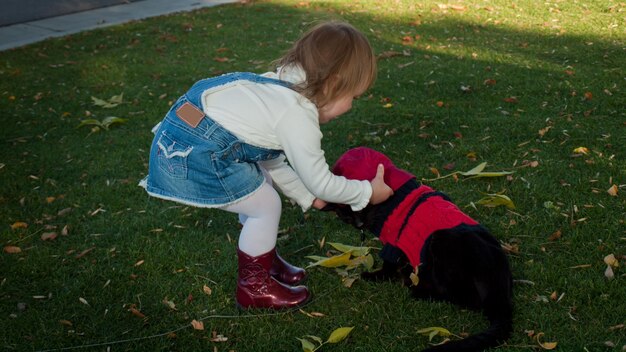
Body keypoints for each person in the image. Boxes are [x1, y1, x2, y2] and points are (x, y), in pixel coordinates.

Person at [139, 21, 393, 309]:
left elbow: (268, 157)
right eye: (353, 97)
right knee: (266, 206)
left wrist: (308, 197)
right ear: (334, 83)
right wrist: (368, 193)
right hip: (191, 155)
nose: (351, 106)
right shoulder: (296, 112)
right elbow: (320, 181)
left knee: (262, 188)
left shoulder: (282, 87)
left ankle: (263, 260)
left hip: (185, 138)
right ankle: (253, 287)